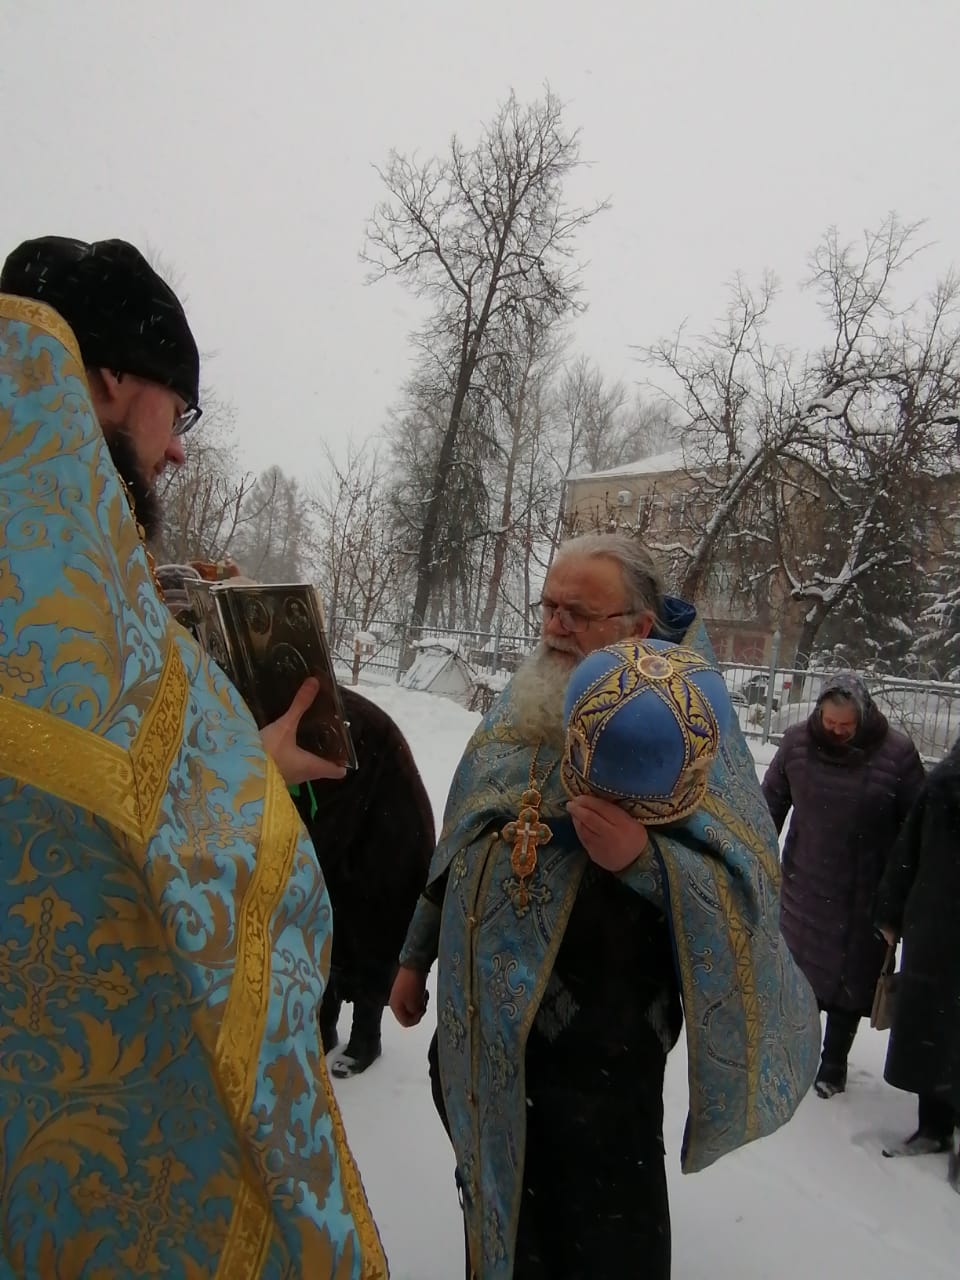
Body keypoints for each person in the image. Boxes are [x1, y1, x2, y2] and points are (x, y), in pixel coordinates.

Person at [0, 240, 387, 1277]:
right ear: (111, 378)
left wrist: (230, 759)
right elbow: (172, 869)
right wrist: (247, 784)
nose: (176, 449)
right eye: (180, 409)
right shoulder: (67, 594)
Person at [390, 532, 820, 1280]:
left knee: (600, 1242)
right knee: (497, 1211)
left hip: (601, 1059)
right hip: (483, 1042)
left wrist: (646, 860)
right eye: (548, 607)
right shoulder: (526, 697)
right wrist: (414, 954)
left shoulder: (689, 724)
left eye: (578, 613)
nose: (555, 626)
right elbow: (465, 830)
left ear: (639, 627)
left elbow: (743, 888)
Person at [762, 674, 925, 1099]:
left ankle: (833, 1063)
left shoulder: (897, 754)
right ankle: (796, 1054)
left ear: (863, 718)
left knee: (850, 984)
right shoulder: (797, 744)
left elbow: (916, 827)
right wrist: (756, 856)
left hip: (865, 892)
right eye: (829, 722)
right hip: (804, 885)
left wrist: (900, 894)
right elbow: (770, 805)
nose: (835, 731)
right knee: (800, 977)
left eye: (845, 726)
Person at [292, 685, 435, 1077]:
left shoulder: (342, 727)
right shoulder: (305, 718)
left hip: (391, 847)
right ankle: (324, 1025)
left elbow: (324, 827)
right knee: (330, 928)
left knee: (372, 942)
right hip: (353, 841)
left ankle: (366, 1037)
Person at [875, 739, 960, 1175]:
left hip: (937, 924)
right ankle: (934, 1126)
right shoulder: (945, 782)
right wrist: (890, 911)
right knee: (934, 1028)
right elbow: (908, 850)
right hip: (936, 927)